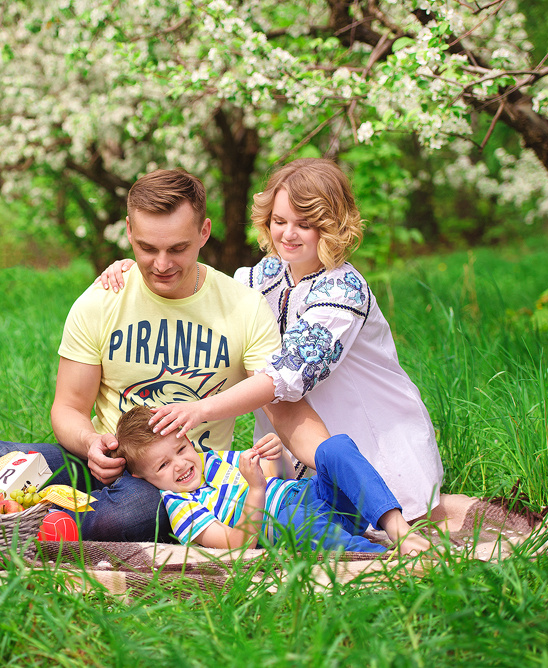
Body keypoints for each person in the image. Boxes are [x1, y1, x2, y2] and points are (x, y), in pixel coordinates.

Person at [0, 168, 332, 543]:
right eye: (148, 248)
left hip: (172, 481)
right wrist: (90, 442)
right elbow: (68, 407)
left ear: (205, 232)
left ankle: (19, 526)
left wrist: (339, 469)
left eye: (178, 249)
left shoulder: (243, 306)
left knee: (138, 513)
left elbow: (281, 402)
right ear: (129, 231)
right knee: (17, 460)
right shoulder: (101, 300)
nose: (162, 264)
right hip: (101, 461)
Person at [97, 158, 444, 521]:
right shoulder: (266, 275)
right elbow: (203, 288)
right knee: (304, 516)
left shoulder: (344, 289)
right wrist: (134, 267)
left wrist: (201, 409)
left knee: (381, 514)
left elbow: (284, 375)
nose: (288, 234)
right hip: (294, 432)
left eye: (304, 224)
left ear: (333, 227)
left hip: (366, 425)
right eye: (279, 221)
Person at [112, 405, 431, 554]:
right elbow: (239, 544)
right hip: (288, 523)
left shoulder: (213, 460)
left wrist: (276, 456)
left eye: (181, 449)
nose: (180, 464)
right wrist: (254, 490)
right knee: (291, 519)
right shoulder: (180, 506)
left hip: (316, 498)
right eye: (163, 465)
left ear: (188, 438)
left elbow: (283, 481)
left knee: (335, 447)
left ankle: (399, 529)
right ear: (141, 476)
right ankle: (378, 559)